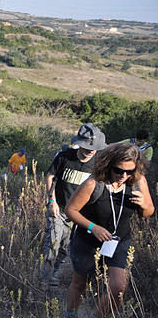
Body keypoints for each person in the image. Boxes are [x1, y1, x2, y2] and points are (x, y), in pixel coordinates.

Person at [64, 143, 154, 318]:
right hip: (88, 240)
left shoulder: (138, 182)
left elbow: (149, 211)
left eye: (129, 171)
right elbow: (71, 210)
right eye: (118, 170)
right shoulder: (93, 183)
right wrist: (93, 227)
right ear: (108, 165)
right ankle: (70, 317)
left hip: (118, 240)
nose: (123, 175)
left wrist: (144, 205)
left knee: (118, 286)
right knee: (80, 283)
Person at [42, 123, 107, 287]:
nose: (91, 151)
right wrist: (51, 201)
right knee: (53, 242)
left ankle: (55, 272)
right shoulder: (64, 157)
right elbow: (50, 176)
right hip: (60, 208)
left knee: (66, 245)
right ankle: (45, 277)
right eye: (87, 147)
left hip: (80, 214)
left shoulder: (98, 163)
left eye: (94, 148)